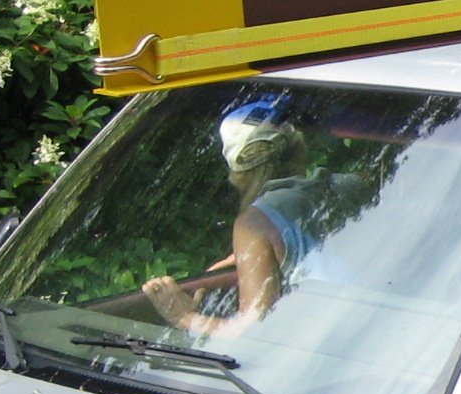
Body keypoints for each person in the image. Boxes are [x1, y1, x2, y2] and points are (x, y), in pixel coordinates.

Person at [143, 96, 353, 339]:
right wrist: (254, 252)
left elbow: (255, 331)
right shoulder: (349, 186)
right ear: (299, 146)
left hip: (339, 338)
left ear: (236, 175)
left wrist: (185, 318)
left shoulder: (255, 223)